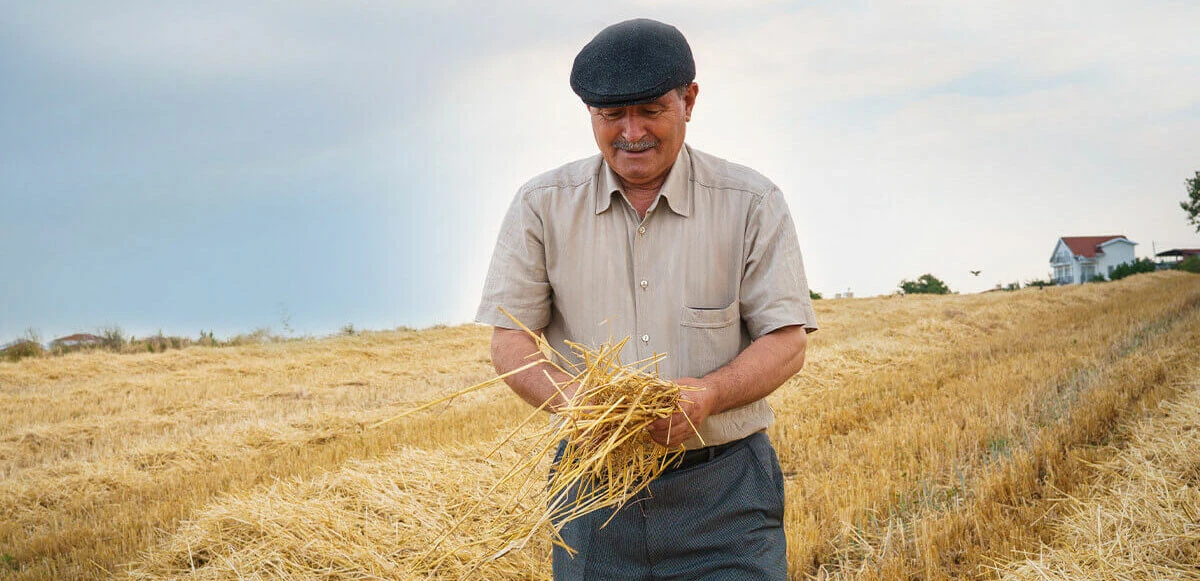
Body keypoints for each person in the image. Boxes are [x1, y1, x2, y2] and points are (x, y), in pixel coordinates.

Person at [476, 18, 818, 580]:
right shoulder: (541, 205)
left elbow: (787, 342)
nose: (631, 132)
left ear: (689, 101)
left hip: (724, 493)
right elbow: (509, 340)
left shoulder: (751, 202)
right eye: (612, 115)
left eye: (651, 110)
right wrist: (577, 401)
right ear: (591, 114)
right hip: (592, 491)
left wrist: (709, 394)